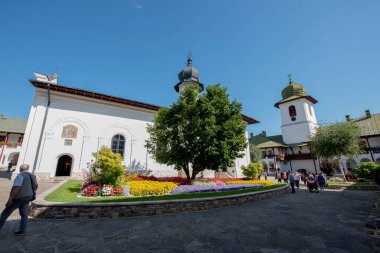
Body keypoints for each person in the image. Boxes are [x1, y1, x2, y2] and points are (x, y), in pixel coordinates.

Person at [0, 164, 38, 236]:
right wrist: (33, 191)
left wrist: (10, 199)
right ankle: (22, 230)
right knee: (24, 214)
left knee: (4, 214)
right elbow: (36, 185)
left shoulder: (20, 175)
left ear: (20, 169)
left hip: (19, 197)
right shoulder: (32, 175)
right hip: (29, 196)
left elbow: (16, 188)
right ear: (28, 169)